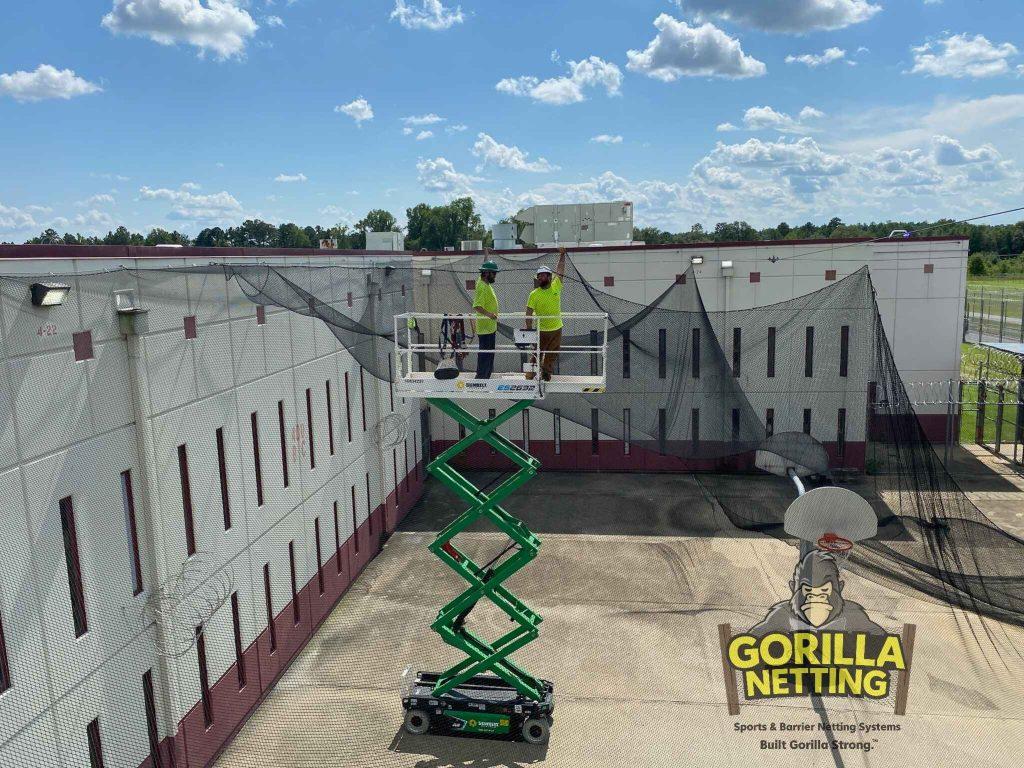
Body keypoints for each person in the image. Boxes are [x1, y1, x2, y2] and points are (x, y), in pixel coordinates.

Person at [525, 247, 567, 382]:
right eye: (539, 276)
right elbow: (528, 313)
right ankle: (530, 375)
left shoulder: (556, 286)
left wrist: (562, 255)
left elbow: (560, 271)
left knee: (552, 354)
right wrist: (529, 328)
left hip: (556, 328)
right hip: (541, 330)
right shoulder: (534, 294)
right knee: (536, 353)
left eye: (543, 275)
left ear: (549, 277)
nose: (540, 277)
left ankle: (546, 374)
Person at [473, 258, 500, 379]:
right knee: (485, 354)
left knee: (489, 354)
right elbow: (477, 306)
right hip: (485, 327)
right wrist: (490, 315)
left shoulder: (484, 283)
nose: (495, 276)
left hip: (489, 327)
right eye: (493, 273)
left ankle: (485, 377)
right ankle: (481, 378)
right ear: (487, 273)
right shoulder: (482, 287)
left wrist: (486, 254)